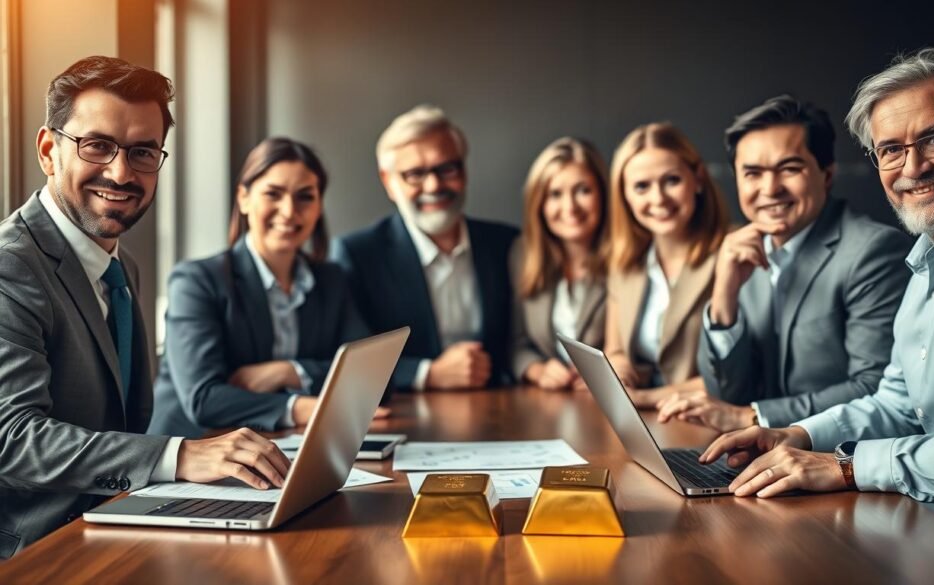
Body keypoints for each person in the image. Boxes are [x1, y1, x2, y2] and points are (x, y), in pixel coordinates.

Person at [700, 47, 934, 558]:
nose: (912, 167)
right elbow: (897, 402)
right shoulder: (932, 248)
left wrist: (845, 466)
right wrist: (798, 436)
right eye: (890, 150)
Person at [0, 56, 289, 558]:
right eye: (97, 146)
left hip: (118, 525)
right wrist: (180, 456)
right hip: (37, 552)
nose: (120, 172)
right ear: (49, 151)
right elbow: (13, 439)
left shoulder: (121, 267)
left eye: (142, 152)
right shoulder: (10, 268)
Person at [658, 95, 910, 432]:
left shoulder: (871, 251)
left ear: (827, 174)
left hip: (835, 459)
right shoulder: (742, 251)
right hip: (760, 454)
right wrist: (724, 294)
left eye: (789, 169)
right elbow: (726, 395)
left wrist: (751, 417)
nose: (769, 188)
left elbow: (875, 388)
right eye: (752, 173)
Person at [149, 137, 375, 438]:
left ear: (320, 205)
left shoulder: (331, 281)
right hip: (191, 450)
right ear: (243, 198)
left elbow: (370, 380)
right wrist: (301, 406)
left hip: (280, 443)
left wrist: (289, 372)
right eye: (273, 194)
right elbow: (205, 399)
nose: (289, 211)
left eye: (305, 196)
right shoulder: (196, 281)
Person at [329, 105, 518, 392]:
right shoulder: (358, 254)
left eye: (446, 168)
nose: (433, 185)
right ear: (388, 182)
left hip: (503, 410)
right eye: (415, 174)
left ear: (464, 171)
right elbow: (349, 357)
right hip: (407, 416)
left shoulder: (507, 245)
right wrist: (427, 373)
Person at [604, 122, 730, 409]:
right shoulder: (624, 261)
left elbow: (734, 375)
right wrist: (620, 370)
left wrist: (643, 399)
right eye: (641, 186)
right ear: (624, 194)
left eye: (671, 180)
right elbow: (615, 348)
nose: (658, 198)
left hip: (713, 423)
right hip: (645, 423)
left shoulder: (733, 253)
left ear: (697, 179)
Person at [510, 137, 610, 391]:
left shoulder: (627, 257)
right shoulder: (523, 254)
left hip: (612, 401)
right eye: (555, 194)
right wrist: (536, 368)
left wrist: (605, 371)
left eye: (583, 190)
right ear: (539, 204)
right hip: (550, 403)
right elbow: (515, 342)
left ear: (603, 194)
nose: (569, 207)